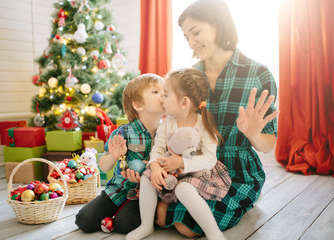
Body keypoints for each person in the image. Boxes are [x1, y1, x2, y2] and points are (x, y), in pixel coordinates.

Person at [154, 0, 279, 238]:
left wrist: (252, 133)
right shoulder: (189, 77)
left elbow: (268, 144)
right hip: (197, 167)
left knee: (184, 226)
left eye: (196, 32)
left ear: (219, 25)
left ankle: (247, 197)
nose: (191, 42)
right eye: (186, 37)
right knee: (159, 216)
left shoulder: (258, 74)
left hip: (238, 171)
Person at [126, 68, 232, 240]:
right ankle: (146, 226)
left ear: (184, 102)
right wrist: (154, 166)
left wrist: (182, 163)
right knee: (147, 178)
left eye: (166, 95)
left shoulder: (203, 123)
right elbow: (158, 149)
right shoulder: (167, 124)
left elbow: (210, 159)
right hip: (170, 171)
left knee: (184, 188)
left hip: (198, 172)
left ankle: (214, 234)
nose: (161, 98)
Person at [75, 73, 164, 233]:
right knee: (84, 220)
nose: (163, 94)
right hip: (119, 190)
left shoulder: (168, 131)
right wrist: (113, 156)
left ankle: (118, 218)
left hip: (146, 195)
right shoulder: (124, 132)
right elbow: (103, 167)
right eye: (155, 92)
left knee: (125, 224)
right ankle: (114, 215)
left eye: (164, 90)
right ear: (138, 105)